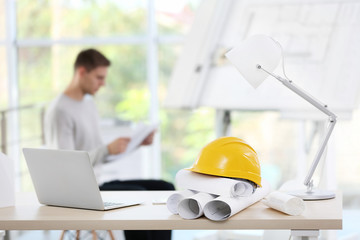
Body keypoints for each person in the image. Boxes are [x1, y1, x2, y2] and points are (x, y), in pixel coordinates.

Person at [44, 48, 174, 240]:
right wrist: (105, 150)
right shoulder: (60, 110)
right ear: (81, 72)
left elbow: (100, 157)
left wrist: (136, 144)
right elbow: (65, 164)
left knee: (165, 187)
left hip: (98, 183)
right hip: (79, 191)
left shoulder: (88, 104)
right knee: (137, 196)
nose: (103, 84)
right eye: (99, 77)